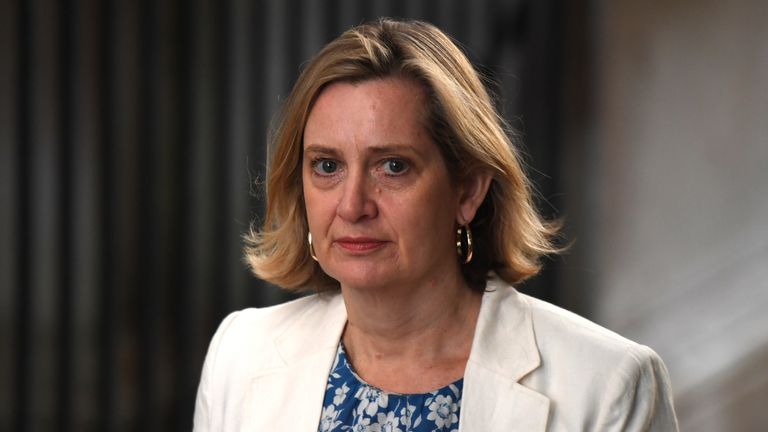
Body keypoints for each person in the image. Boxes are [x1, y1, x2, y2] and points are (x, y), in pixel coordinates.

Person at [193, 18, 678, 431]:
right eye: (327, 166)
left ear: (467, 190)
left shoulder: (607, 383)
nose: (352, 205)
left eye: (393, 166)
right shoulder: (241, 355)